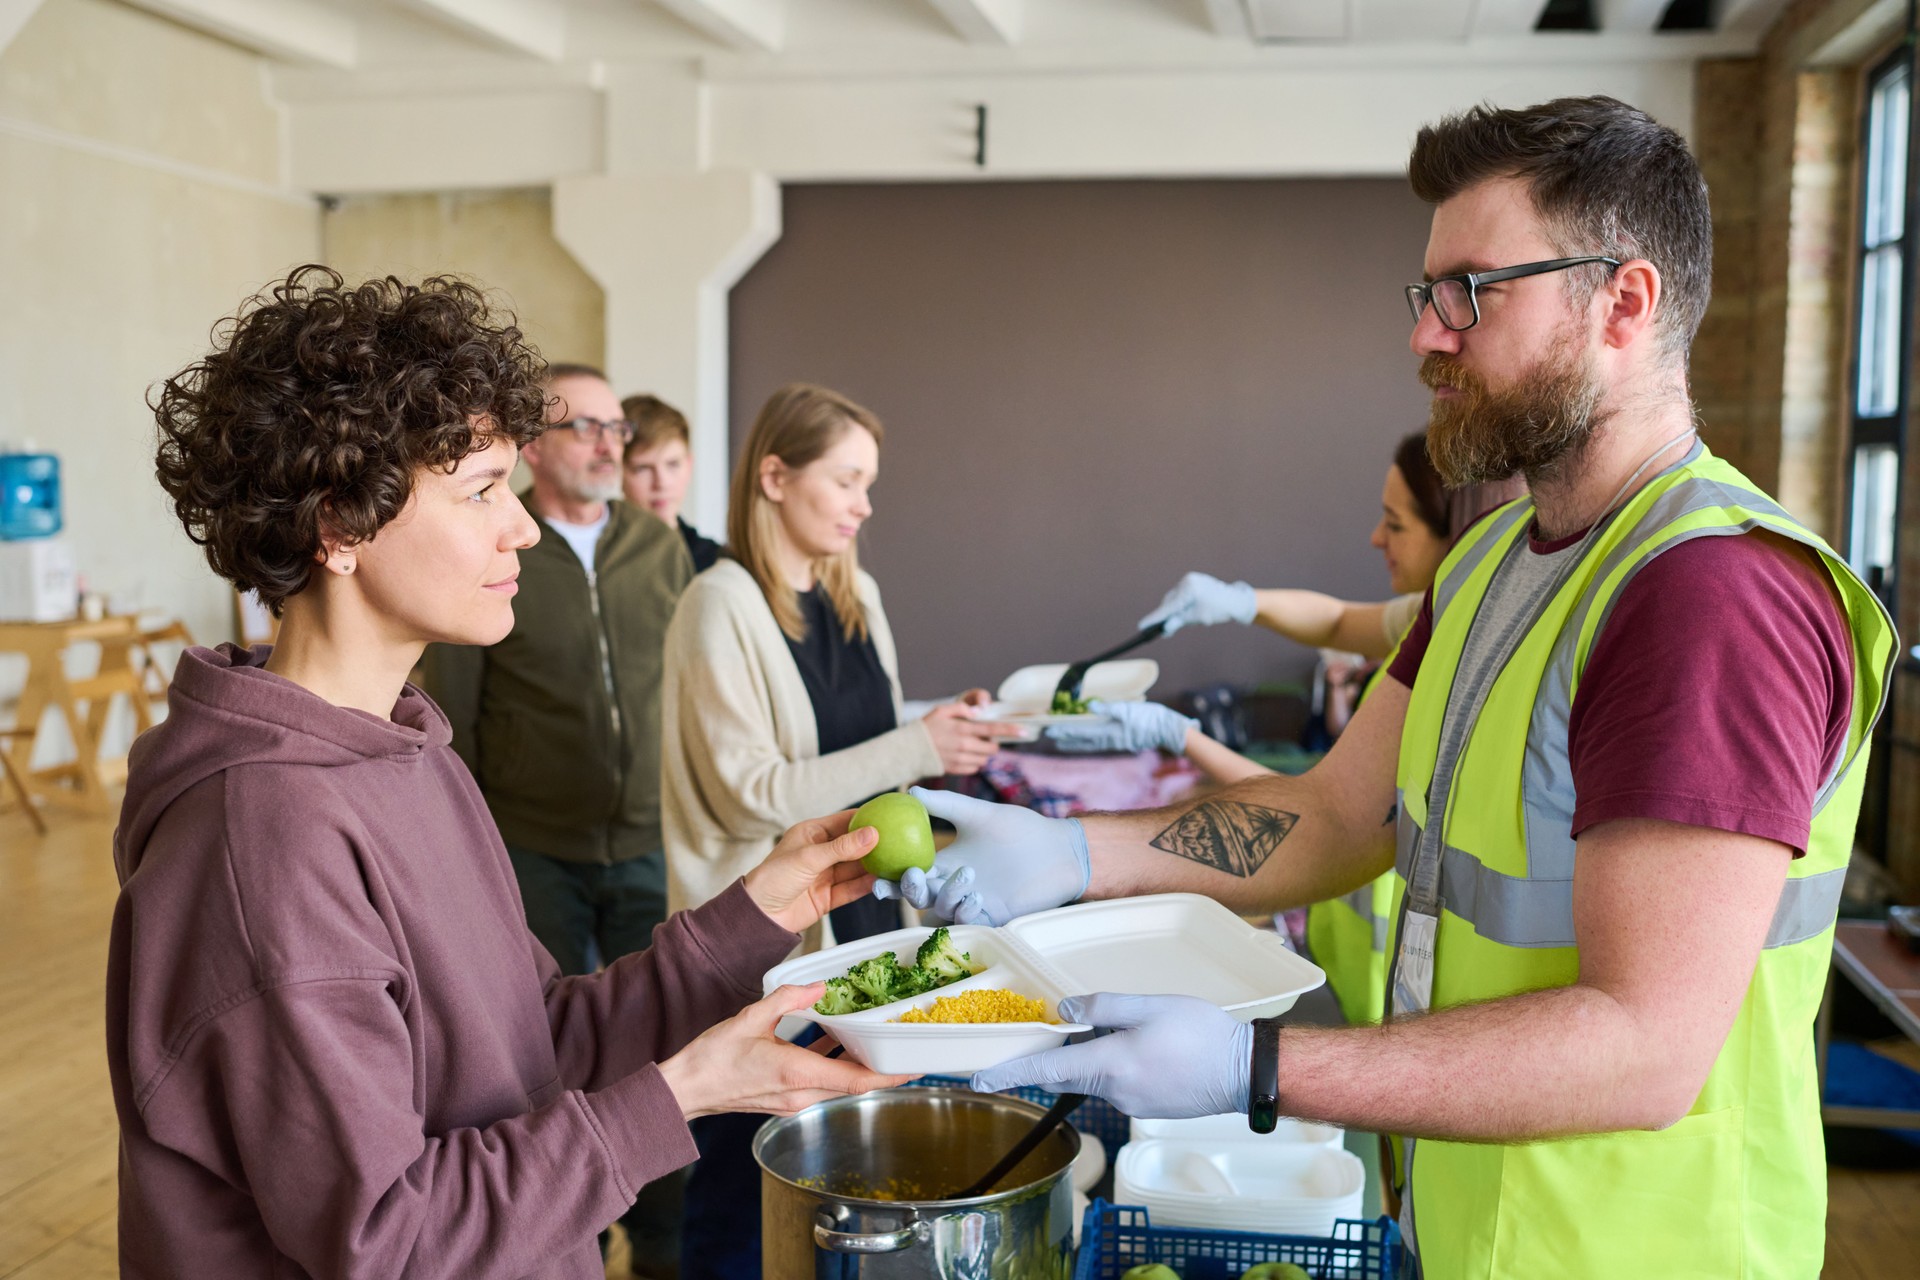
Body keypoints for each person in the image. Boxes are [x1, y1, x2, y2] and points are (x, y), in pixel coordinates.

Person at [881, 98, 1896, 1278]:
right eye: (1425, 294)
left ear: (1624, 302)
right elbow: (1335, 816)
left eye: (1474, 291)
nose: (1428, 338)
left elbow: (1645, 1047)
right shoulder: (1489, 562)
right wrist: (1074, 854)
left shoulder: (1708, 594)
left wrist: (1258, 1068)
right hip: (1466, 1222)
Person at [110, 266, 905, 1280]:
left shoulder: (411, 746)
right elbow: (387, 1240)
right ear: (341, 524)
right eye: (482, 489)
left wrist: (750, 915)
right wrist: (680, 1093)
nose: (523, 524)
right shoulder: (261, 834)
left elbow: (536, 1045)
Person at [659, 381, 1017, 1280]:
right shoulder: (720, 605)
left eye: (870, 487)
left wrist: (941, 739)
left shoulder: (857, 595)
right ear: (773, 477)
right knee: (745, 1196)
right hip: (764, 950)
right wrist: (913, 740)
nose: (864, 506)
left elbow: (874, 765)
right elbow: (751, 795)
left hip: (857, 940)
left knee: (834, 1180)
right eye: (847, 481)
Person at [1053, 432, 1522, 1026]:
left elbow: (1323, 810)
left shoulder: (1460, 648)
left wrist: (1181, 736)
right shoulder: (1435, 610)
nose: (1377, 539)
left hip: (1384, 953)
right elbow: (1340, 619)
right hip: (1346, 943)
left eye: (1395, 525)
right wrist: (1241, 602)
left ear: (1454, 537)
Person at [418, 363, 693, 1276]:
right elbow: (450, 714)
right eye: (587, 428)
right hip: (534, 849)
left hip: (649, 845)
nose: (609, 445)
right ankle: (571, 1232)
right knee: (541, 1057)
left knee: (657, 1045)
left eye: (618, 429)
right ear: (532, 448)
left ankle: (657, 1247)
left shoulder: (659, 550)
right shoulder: (498, 552)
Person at [622, 393, 723, 572]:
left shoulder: (716, 561)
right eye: (643, 468)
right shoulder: (598, 558)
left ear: (689, 465)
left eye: (673, 464)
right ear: (618, 471)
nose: (662, 483)